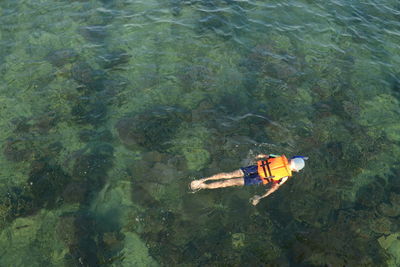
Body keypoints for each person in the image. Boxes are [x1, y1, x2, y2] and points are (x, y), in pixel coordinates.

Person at [190, 154, 308, 205]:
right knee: (228, 183)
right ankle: (204, 186)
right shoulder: (285, 176)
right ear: (296, 170)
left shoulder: (278, 157)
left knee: (229, 174)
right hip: (256, 179)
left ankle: (202, 179)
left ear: (291, 159)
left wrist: (256, 157)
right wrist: (260, 197)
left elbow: (263, 156)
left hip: (253, 167)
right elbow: (274, 187)